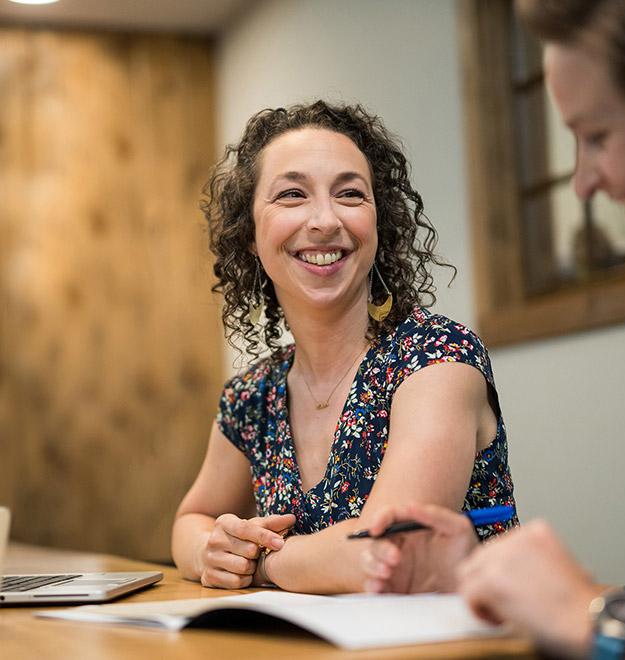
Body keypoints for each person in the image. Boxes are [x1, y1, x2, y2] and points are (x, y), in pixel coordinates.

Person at [360, 0, 625, 657]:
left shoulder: (435, 351)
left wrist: (592, 612)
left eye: (598, 135)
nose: (581, 181)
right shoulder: (255, 389)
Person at [170, 100, 517, 594]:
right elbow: (191, 519)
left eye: (350, 194)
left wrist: (261, 564)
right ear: (249, 235)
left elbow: (384, 551)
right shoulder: (252, 395)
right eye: (292, 194)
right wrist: (212, 549)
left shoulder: (437, 356)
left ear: (379, 224)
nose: (325, 220)